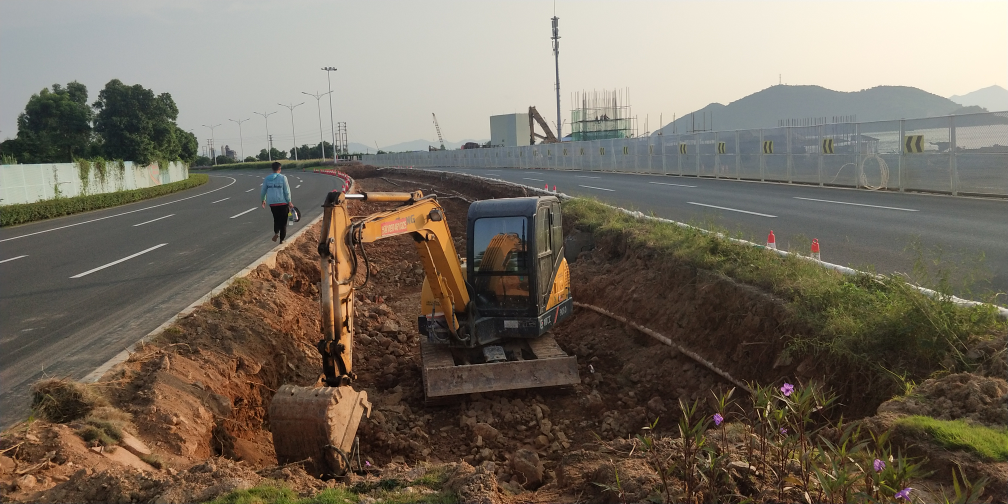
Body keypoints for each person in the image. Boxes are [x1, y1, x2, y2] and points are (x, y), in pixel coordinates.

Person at [260, 161, 292, 243]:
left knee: (276, 219)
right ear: (279, 169)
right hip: (283, 203)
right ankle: (281, 240)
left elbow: (263, 190)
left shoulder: (267, 178)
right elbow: (287, 191)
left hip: (272, 203)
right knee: (283, 222)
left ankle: (276, 232)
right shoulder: (283, 178)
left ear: (272, 169)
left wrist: (263, 200)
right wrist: (289, 201)